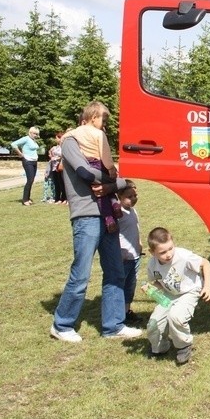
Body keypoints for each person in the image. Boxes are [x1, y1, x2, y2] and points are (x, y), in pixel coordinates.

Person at [50, 113, 142, 343]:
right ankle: (62, 325)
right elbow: (85, 173)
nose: (102, 129)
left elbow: (119, 182)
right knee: (81, 274)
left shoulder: (101, 152)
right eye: (100, 122)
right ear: (87, 120)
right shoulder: (71, 141)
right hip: (87, 216)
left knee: (115, 272)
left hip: (108, 216)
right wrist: (115, 181)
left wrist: (113, 183)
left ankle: (113, 326)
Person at [144, 227, 210, 364]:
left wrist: (207, 287)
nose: (168, 254)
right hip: (169, 293)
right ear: (152, 253)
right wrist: (152, 288)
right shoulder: (152, 264)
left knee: (176, 317)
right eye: (162, 252)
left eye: (170, 248)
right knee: (153, 323)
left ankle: (184, 345)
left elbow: (205, 263)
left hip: (189, 291)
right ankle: (160, 347)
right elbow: (158, 282)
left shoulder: (183, 256)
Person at [64, 101, 122, 232]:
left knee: (99, 193)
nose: (105, 125)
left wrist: (62, 139)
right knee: (105, 189)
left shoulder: (76, 132)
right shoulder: (99, 134)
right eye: (104, 120)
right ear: (94, 117)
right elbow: (105, 153)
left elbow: (66, 136)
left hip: (89, 163)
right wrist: (111, 167)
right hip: (99, 164)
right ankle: (113, 208)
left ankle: (109, 217)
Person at [118, 180, 142, 324]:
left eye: (135, 195)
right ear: (119, 196)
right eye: (129, 196)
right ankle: (118, 312)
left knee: (130, 285)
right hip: (124, 257)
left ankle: (127, 310)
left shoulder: (133, 211)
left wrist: (139, 244)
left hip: (135, 255)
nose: (134, 199)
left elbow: (136, 229)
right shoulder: (118, 213)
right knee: (121, 284)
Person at [11, 126, 41, 206]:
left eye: (37, 134)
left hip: (34, 161)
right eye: (35, 134)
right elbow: (13, 144)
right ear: (30, 132)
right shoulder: (26, 138)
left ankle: (28, 198)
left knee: (32, 180)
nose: (36, 135)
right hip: (28, 161)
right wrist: (20, 154)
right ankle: (25, 200)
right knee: (30, 180)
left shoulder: (33, 141)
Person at [48, 131, 67, 205]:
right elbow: (51, 153)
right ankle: (57, 198)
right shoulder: (55, 147)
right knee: (56, 183)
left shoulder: (64, 146)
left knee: (62, 183)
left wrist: (57, 158)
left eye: (57, 138)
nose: (56, 139)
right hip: (54, 167)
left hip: (60, 166)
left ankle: (64, 198)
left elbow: (63, 155)